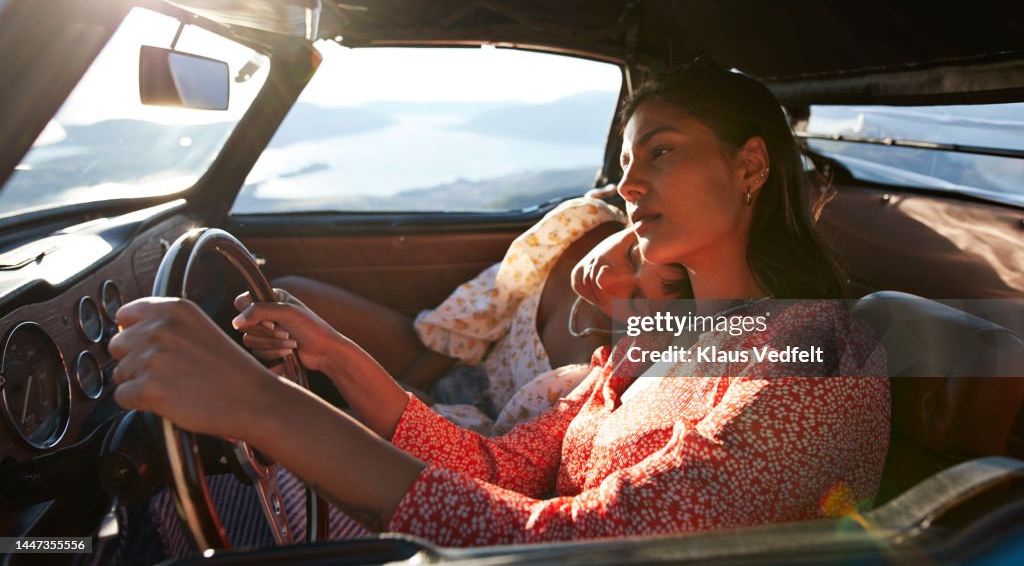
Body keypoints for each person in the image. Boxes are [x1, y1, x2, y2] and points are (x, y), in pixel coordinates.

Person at [109, 57, 889, 547]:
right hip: (513, 546)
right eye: (626, 160)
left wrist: (261, 405)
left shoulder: (819, 355)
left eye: (661, 151)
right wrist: (338, 359)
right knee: (209, 493)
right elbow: (504, 467)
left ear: (750, 167)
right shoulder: (651, 344)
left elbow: (598, 544)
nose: (627, 183)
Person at [270, 196, 689, 435]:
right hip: (454, 362)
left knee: (321, 427)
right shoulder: (583, 229)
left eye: (635, 298)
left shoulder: (602, 370)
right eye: (632, 255)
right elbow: (484, 315)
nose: (608, 278)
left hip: (472, 428)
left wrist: (409, 400)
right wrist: (415, 378)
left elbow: (498, 447)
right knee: (290, 296)